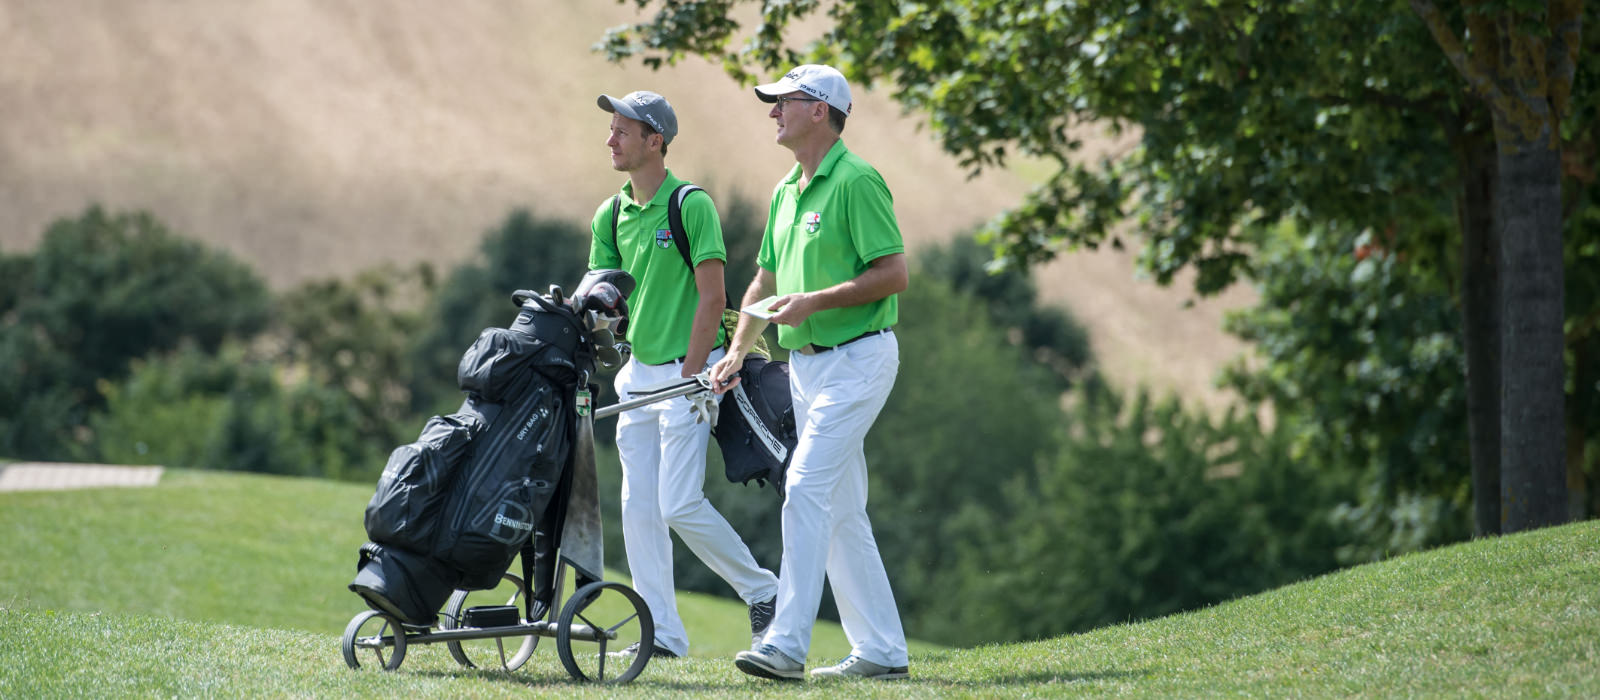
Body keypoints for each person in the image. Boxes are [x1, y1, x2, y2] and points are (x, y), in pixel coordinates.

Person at [710, 65, 910, 682]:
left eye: (783, 102)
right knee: (843, 510)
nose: (772, 112)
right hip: (807, 368)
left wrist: (815, 301)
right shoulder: (785, 190)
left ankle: (786, 644)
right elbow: (765, 281)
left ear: (819, 110)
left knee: (804, 488)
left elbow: (893, 273)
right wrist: (739, 349)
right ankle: (881, 651)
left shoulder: (856, 180)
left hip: (859, 360)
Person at [589, 89, 778, 659]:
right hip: (636, 377)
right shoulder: (610, 213)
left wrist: (694, 375)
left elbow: (712, 295)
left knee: (677, 504)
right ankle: (663, 634)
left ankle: (763, 590)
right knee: (637, 508)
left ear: (656, 141)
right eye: (612, 130)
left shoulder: (689, 205)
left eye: (623, 131)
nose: (611, 140)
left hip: (688, 377)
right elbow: (602, 297)